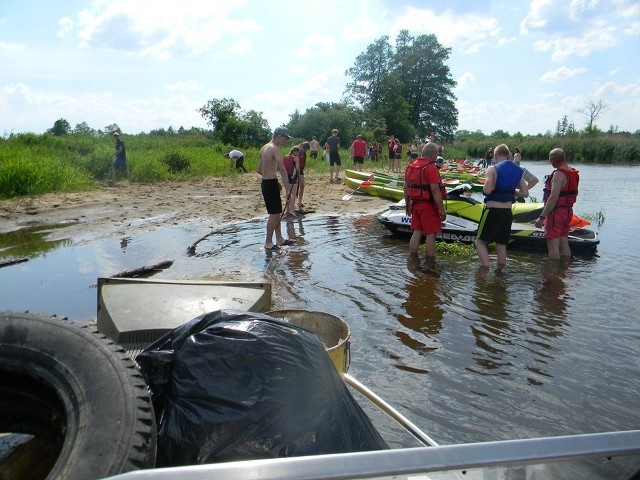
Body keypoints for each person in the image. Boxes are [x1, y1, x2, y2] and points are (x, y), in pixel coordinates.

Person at [475, 144, 529, 269]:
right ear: (508, 155)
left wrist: (491, 187)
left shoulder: (492, 169)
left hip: (492, 211)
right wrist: (512, 191)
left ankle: (485, 269)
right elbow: (525, 193)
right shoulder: (518, 170)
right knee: (501, 244)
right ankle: (499, 274)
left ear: (495, 156)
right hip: (507, 212)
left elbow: (487, 190)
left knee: (480, 242)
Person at [404, 142, 447, 269]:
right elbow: (435, 190)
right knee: (431, 234)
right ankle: (430, 264)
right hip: (428, 206)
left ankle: (413, 260)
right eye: (437, 154)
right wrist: (441, 209)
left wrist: (407, 204)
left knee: (417, 231)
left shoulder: (411, 165)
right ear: (433, 154)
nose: (437, 157)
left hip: (415, 204)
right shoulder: (431, 167)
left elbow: (406, 187)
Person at [534, 148, 579, 260]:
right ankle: (563, 270)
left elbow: (553, 197)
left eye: (550, 159)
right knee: (564, 241)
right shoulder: (572, 172)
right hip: (568, 211)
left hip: (556, 213)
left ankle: (552, 275)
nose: (550, 162)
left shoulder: (558, 174)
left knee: (553, 245)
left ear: (554, 160)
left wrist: (541, 217)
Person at [257, 127, 295, 250]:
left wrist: (273, 180)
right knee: (274, 214)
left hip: (266, 182)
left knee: (277, 212)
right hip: (270, 183)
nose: (284, 141)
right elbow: (283, 170)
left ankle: (279, 239)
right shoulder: (275, 148)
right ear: (279, 136)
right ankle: (268, 243)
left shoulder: (264, 148)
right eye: (284, 138)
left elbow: (259, 170)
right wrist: (288, 190)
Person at [282, 146, 300, 217]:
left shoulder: (285, 157)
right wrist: (298, 176)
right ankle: (291, 210)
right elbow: (298, 168)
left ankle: (287, 209)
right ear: (296, 151)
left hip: (286, 176)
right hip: (293, 176)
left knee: (288, 192)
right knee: (293, 193)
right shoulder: (296, 158)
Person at [296, 141, 310, 212]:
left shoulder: (304, 153)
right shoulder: (295, 151)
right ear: (301, 146)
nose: (304, 151)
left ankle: (299, 202)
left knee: (302, 185)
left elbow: (303, 162)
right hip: (294, 171)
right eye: (304, 149)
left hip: (301, 170)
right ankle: (290, 205)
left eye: (306, 150)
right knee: (294, 187)